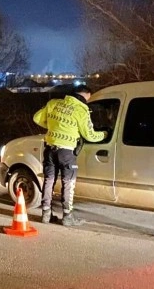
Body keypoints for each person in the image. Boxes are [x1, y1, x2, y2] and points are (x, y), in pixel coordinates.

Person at [33, 85, 106, 226]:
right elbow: (90, 135)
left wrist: (53, 127)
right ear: (85, 95)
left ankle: (46, 215)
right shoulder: (81, 110)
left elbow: (37, 118)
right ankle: (67, 216)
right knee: (68, 183)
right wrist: (104, 134)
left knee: (49, 181)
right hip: (67, 152)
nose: (86, 102)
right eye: (87, 99)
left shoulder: (53, 103)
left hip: (50, 148)